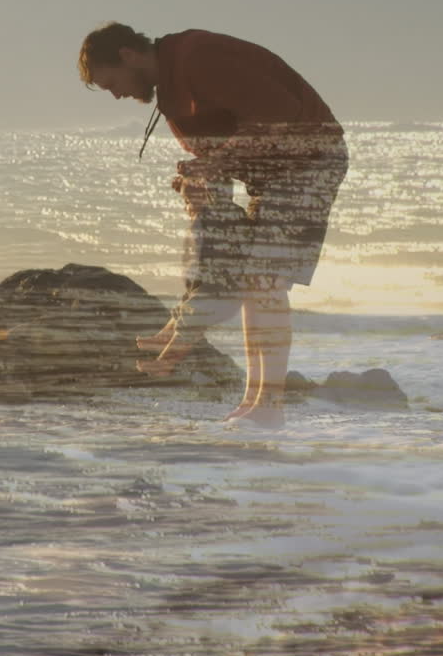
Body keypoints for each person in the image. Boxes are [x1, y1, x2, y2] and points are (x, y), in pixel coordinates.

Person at [77, 23, 348, 427]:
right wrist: (198, 189)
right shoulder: (170, 95)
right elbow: (216, 161)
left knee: (265, 281)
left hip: (310, 161)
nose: (116, 94)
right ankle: (253, 402)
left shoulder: (197, 56)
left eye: (112, 82)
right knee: (251, 283)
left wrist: (215, 163)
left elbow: (282, 116)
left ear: (128, 55)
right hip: (268, 179)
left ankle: (269, 409)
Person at [135, 176, 249, 378]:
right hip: (211, 288)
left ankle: (164, 364)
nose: (185, 208)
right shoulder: (213, 216)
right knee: (185, 309)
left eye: (187, 202)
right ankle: (163, 337)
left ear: (207, 196)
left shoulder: (217, 215)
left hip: (222, 292)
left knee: (190, 323)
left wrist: (204, 178)